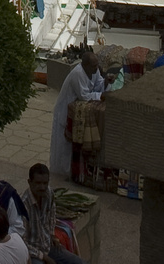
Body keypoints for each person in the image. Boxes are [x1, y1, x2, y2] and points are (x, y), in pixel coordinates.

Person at [49, 48, 106, 177]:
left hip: (77, 112)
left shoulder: (94, 70)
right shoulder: (77, 74)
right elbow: (84, 96)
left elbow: (99, 84)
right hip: (65, 111)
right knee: (63, 147)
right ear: (85, 65)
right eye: (94, 66)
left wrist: (106, 82)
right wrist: (101, 95)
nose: (97, 68)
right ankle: (60, 173)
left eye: (97, 65)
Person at [23, 163, 84, 264]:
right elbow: (22, 243)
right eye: (38, 183)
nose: (42, 187)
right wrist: (45, 258)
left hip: (48, 246)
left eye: (45, 183)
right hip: (33, 253)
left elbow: (52, 214)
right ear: (29, 182)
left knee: (80, 262)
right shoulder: (24, 205)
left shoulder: (49, 193)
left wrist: (52, 234)